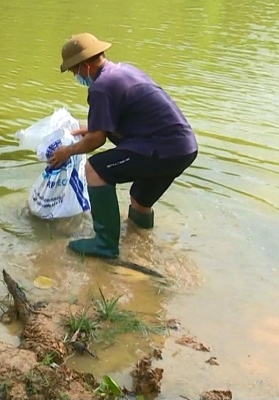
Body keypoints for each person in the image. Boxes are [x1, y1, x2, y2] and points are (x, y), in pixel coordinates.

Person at [48, 33, 198, 259]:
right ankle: (141, 243)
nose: (75, 76)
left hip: (160, 147)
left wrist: (67, 152)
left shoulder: (101, 87)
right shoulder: (124, 71)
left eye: (74, 70)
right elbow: (132, 114)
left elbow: (97, 140)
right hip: (183, 148)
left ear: (86, 65)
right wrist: (89, 128)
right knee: (140, 199)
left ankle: (105, 244)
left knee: (95, 170)